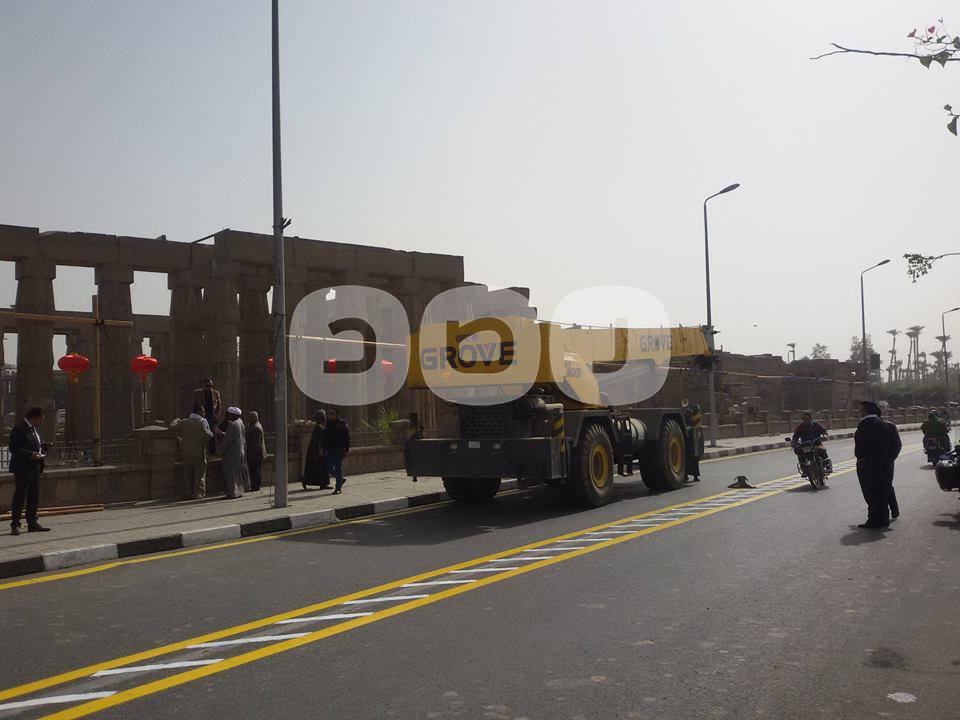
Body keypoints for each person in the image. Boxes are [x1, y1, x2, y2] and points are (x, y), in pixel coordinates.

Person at [854, 399, 902, 529]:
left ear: (865, 411)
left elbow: (860, 447)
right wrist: (889, 460)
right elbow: (897, 446)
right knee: (884, 489)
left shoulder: (863, 425)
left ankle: (874, 519)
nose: (860, 412)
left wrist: (861, 459)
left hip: (867, 465)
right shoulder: (888, 426)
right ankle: (884, 518)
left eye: (861, 410)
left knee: (870, 493)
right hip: (885, 464)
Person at [8, 407, 51, 535]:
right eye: (41, 419)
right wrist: (31, 454)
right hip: (22, 468)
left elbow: (34, 444)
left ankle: (32, 523)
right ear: (34, 417)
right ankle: (15, 524)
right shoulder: (19, 429)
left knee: (33, 496)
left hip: (35, 468)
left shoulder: (34, 429)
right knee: (20, 496)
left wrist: (43, 446)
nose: (42, 421)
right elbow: (13, 448)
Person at [179, 405, 213, 499]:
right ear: (199, 412)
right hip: (199, 452)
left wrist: (176, 420)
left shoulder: (184, 422)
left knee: (187, 473)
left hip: (186, 452)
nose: (204, 414)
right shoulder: (202, 421)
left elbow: (171, 427)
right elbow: (208, 435)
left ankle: (188, 492)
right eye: (203, 412)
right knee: (200, 473)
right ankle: (198, 493)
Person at [218, 406, 248, 499]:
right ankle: (239, 491)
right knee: (237, 473)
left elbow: (227, 440)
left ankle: (232, 493)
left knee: (230, 473)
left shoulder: (233, 424)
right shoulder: (240, 423)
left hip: (232, 453)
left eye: (229, 414)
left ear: (233, 415)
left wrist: (219, 451)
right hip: (240, 451)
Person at [322, 407, 350, 494]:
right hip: (330, 449)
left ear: (337, 415)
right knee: (328, 467)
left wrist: (346, 449)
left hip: (339, 449)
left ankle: (338, 488)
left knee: (338, 468)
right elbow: (325, 437)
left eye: (332, 414)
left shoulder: (342, 423)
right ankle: (340, 479)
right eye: (329, 414)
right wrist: (322, 448)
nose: (330, 415)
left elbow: (347, 437)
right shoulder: (328, 423)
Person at [301, 410, 330, 490]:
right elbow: (319, 442)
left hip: (315, 452)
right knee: (321, 468)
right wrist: (320, 452)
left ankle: (322, 484)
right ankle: (320, 483)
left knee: (317, 468)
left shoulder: (319, 427)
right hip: (317, 452)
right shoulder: (319, 428)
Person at [193, 379, 222, 453]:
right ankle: (201, 451)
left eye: (210, 386)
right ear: (204, 385)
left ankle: (212, 452)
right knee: (201, 434)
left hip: (211, 416)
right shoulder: (198, 393)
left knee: (212, 434)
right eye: (207, 386)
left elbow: (219, 405)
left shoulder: (216, 393)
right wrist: (196, 416)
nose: (209, 387)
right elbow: (194, 405)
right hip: (201, 416)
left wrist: (216, 415)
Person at [245, 410, 267, 492]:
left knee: (255, 470)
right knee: (254, 470)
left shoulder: (256, 427)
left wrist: (251, 454)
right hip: (255, 453)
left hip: (256, 454)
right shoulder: (253, 426)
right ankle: (254, 484)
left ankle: (256, 486)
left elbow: (256, 443)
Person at [681, 403, 703, 482]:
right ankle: (687, 476)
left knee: (692, 461)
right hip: (689, 445)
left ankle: (693, 476)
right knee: (689, 461)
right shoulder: (685, 423)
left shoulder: (695, 421)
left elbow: (698, 433)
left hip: (692, 445)